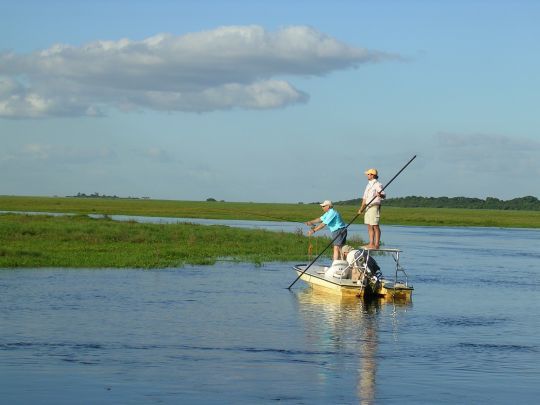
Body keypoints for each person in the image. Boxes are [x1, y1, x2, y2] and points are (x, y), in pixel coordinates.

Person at [358, 168, 385, 249]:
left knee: (375, 225)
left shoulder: (378, 184)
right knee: (369, 225)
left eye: (368, 174)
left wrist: (379, 195)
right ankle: (371, 243)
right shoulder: (368, 185)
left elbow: (384, 195)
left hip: (374, 206)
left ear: (373, 175)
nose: (367, 175)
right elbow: (364, 198)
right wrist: (361, 208)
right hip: (367, 207)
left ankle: (376, 245)